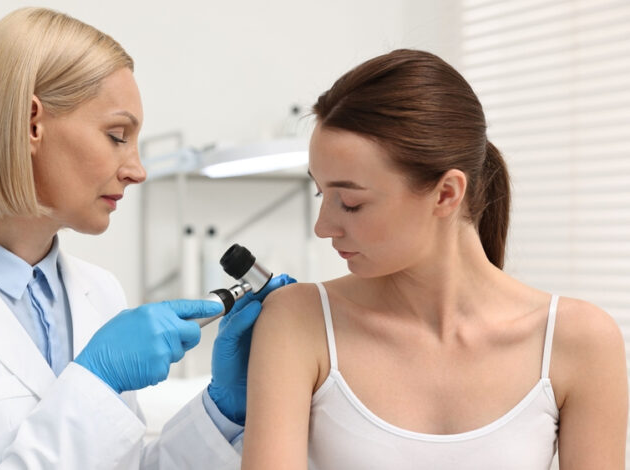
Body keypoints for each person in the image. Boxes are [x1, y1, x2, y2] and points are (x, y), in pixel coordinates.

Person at [0, 7, 294, 469]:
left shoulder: (98, 291)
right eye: (117, 135)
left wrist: (221, 412)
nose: (137, 170)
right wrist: (96, 382)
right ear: (31, 124)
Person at [241, 49, 627, 469]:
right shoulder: (300, 320)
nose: (323, 226)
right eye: (321, 192)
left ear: (446, 194)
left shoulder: (579, 340)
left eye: (350, 203)